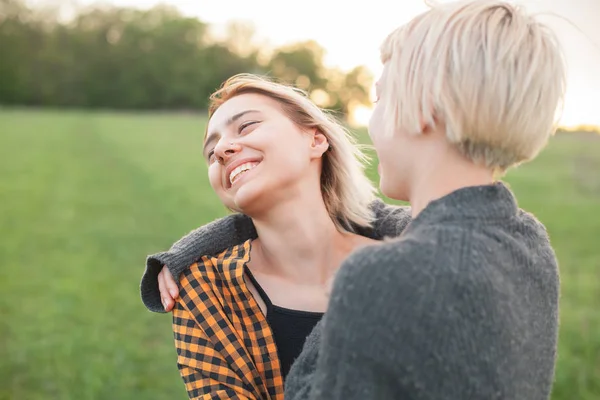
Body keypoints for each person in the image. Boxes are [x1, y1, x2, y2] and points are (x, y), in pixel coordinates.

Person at [280, 1, 566, 399]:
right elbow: (405, 222)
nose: (370, 122)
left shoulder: (383, 277)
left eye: (379, 100)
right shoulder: (529, 243)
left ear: (426, 106)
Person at [139, 74, 412, 399]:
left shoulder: (413, 265)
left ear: (316, 140)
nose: (223, 150)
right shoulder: (204, 290)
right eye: (211, 152)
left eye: (247, 126)